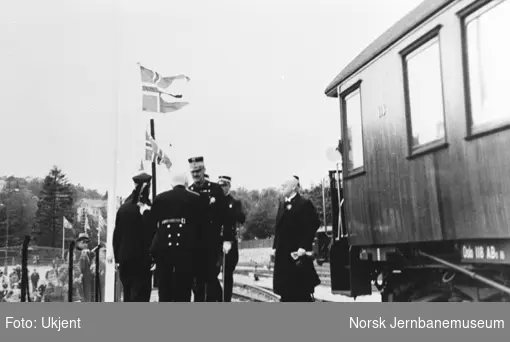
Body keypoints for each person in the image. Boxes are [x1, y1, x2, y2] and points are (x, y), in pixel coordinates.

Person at [148, 171, 204, 302]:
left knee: (164, 287)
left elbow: (151, 225)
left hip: (163, 248)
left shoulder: (160, 198)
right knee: (184, 287)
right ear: (186, 183)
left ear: (171, 184)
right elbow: (201, 227)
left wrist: (151, 250)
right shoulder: (196, 198)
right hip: (186, 248)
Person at [272, 176, 321, 302]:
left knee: (299, 290)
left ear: (294, 187)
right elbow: (279, 228)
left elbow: (313, 224)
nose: (282, 188)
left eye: (285, 186)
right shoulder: (282, 204)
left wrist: (304, 246)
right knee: (285, 288)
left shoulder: (304, 203)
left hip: (297, 253)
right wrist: (274, 247)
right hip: (282, 253)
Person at [188, 156, 227, 302]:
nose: (196, 175)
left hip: (212, 243)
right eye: (193, 172)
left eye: (198, 171)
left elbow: (226, 217)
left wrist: (227, 239)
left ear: (204, 170)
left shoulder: (215, 189)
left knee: (211, 279)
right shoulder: (190, 191)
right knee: (197, 283)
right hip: (195, 244)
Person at [112, 171, 154, 302]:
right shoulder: (147, 208)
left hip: (125, 259)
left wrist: (117, 258)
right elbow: (151, 234)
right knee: (141, 295)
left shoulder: (123, 208)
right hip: (142, 259)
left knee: (128, 294)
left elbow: (117, 236)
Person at [217, 175, 245, 302]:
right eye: (220, 185)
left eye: (224, 185)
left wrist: (230, 209)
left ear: (229, 186)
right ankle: (217, 296)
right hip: (215, 241)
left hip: (229, 241)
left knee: (227, 274)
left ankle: (226, 300)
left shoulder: (234, 202)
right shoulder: (214, 201)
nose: (222, 188)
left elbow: (241, 218)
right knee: (211, 273)